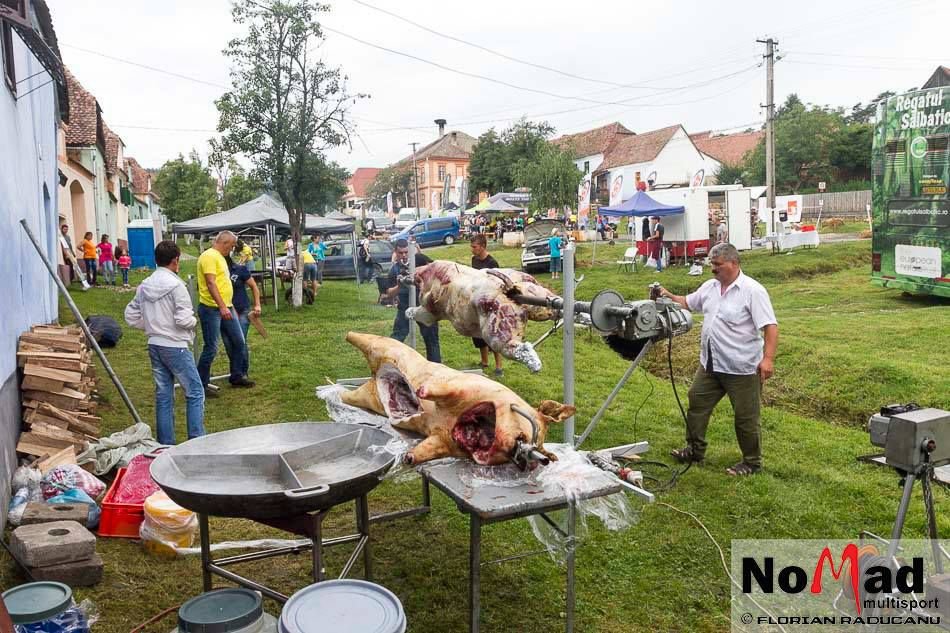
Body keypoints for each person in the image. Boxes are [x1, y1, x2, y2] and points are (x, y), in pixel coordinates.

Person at [658, 243, 778, 476]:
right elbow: (687, 302)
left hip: (742, 368)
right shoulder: (710, 287)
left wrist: (768, 359)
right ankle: (694, 450)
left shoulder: (753, 291)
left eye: (717, 265)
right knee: (696, 402)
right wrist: (667, 296)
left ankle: (751, 462)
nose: (713, 269)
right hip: (711, 365)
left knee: (746, 418)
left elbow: (770, 327)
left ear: (734, 264)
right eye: (711, 264)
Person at [124, 240, 205, 445]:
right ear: (176, 260)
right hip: (175, 346)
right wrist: (195, 321)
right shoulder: (178, 286)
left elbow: (130, 315)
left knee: (164, 395)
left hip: (155, 344)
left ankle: (165, 445)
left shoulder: (144, 286)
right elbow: (183, 320)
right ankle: (196, 442)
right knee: (195, 392)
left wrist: (152, 325)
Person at [196, 231, 252, 391]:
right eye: (232, 246)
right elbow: (211, 283)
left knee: (239, 342)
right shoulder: (209, 256)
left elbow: (223, 283)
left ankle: (237, 376)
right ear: (225, 242)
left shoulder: (220, 257)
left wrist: (228, 305)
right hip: (211, 309)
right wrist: (221, 306)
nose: (232, 249)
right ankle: (202, 384)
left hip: (227, 306)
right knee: (211, 347)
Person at [385, 238, 441, 362]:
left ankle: (436, 368)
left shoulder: (420, 259)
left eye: (406, 252)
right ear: (395, 252)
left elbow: (437, 269)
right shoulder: (394, 269)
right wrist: (399, 286)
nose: (404, 255)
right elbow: (389, 293)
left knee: (431, 339)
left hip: (424, 306)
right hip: (404, 307)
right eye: (401, 253)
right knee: (397, 337)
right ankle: (390, 365)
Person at [469, 235, 504, 377]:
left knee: (492, 334)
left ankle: (499, 367)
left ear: (483, 246)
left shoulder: (492, 263)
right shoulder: (474, 260)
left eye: (474, 247)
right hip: (478, 300)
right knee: (478, 333)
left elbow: (497, 284)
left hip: (490, 303)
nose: (472, 249)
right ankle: (484, 362)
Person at [226, 254, 261, 378]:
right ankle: (235, 370)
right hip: (226, 312)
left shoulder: (240, 269)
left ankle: (242, 372)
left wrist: (257, 305)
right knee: (229, 343)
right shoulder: (216, 274)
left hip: (242, 310)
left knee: (240, 340)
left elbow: (254, 287)